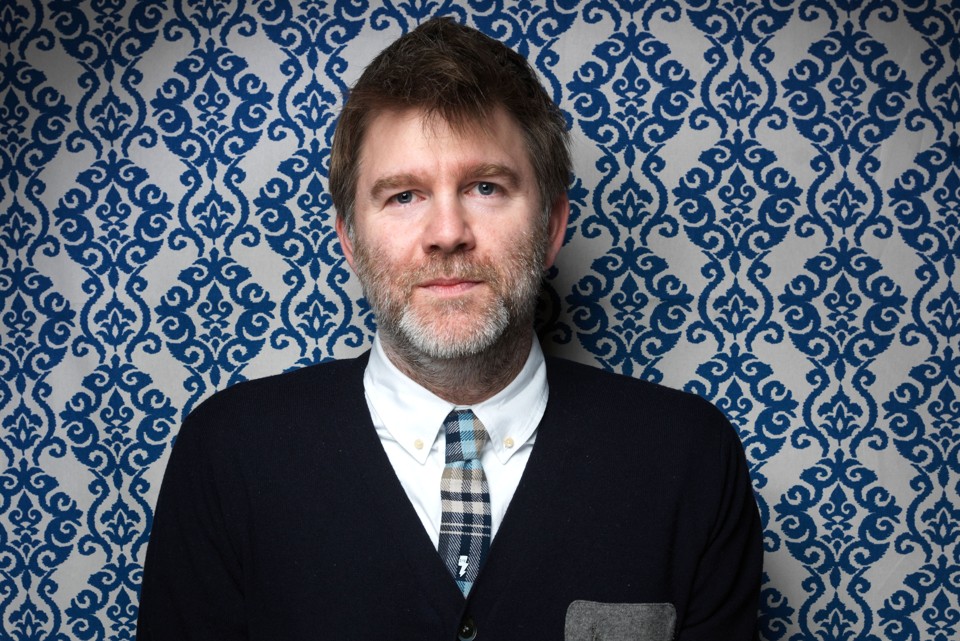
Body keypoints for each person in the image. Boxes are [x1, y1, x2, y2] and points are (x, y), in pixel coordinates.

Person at [136, 17, 762, 641]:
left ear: (551, 228)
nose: (447, 233)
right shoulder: (229, 456)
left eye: (485, 187)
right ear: (350, 242)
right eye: (404, 196)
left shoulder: (689, 458)